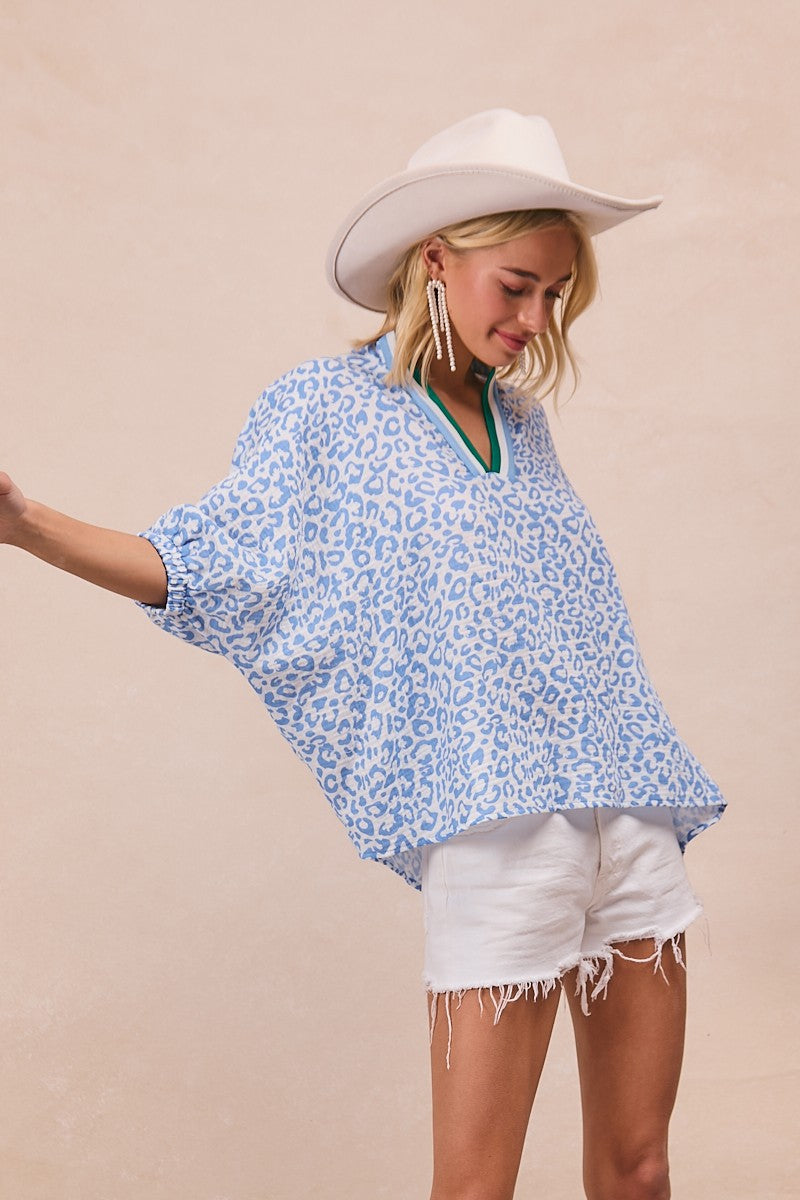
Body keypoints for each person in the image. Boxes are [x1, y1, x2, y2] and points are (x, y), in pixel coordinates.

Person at [1, 109, 725, 1200]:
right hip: (495, 825)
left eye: (554, 293)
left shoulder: (523, 423)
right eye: (515, 286)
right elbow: (213, 566)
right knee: (474, 1189)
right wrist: (29, 525)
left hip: (627, 808)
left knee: (640, 1168)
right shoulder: (323, 410)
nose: (535, 318)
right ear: (435, 259)